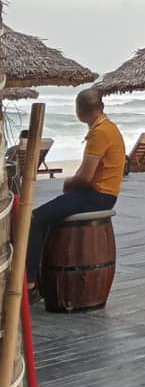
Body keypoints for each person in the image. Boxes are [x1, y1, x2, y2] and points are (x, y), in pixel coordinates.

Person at [27, 88, 125, 289]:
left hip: (97, 196)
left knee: (35, 219)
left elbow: (86, 177)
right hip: (102, 194)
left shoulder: (100, 133)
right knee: (46, 216)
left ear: (80, 110)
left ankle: (29, 282)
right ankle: (39, 277)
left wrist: (68, 183)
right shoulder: (108, 128)